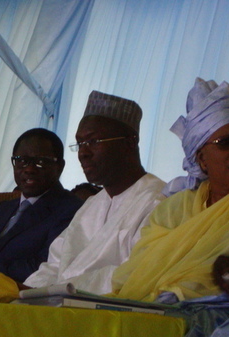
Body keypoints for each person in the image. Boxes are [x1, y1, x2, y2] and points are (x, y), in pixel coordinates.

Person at [111, 78, 229, 303]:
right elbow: (137, 271)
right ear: (202, 159)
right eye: (225, 142)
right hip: (149, 309)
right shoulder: (172, 209)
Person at [23, 92, 166, 294]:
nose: (83, 152)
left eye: (93, 141)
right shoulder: (92, 205)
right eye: (80, 143)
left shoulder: (159, 202)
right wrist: (25, 292)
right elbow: (55, 264)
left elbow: (133, 275)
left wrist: (60, 290)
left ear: (129, 143)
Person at [0, 129, 83, 284]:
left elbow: (47, 266)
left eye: (40, 162)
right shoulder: (3, 209)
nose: (29, 169)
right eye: (22, 160)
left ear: (60, 166)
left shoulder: (71, 210)